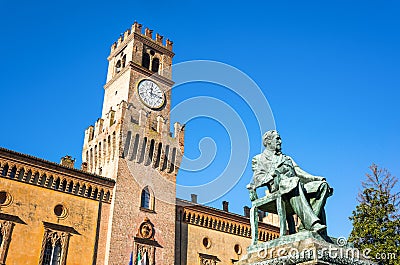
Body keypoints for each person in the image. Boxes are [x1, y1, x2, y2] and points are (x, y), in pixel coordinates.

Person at [247, 130, 332, 238]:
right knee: (293, 182)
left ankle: (305, 225)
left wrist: (317, 178)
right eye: (277, 139)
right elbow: (257, 178)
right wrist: (273, 175)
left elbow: (300, 172)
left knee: (322, 186)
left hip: (296, 185)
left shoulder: (287, 158)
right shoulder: (259, 159)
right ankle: (312, 224)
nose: (280, 141)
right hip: (278, 187)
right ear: (268, 141)